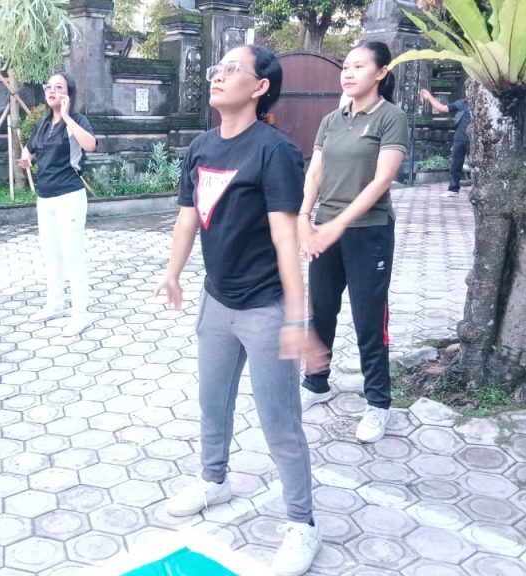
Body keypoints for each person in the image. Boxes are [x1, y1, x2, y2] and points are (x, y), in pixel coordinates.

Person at [155, 44, 325, 576]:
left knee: (280, 422)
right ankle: (214, 479)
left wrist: (297, 316)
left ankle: (302, 522)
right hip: (216, 300)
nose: (219, 75)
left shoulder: (275, 151)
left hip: (265, 308)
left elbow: (285, 238)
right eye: (218, 67)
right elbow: (188, 217)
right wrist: (173, 272)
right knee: (212, 403)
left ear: (259, 87)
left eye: (232, 69)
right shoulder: (200, 146)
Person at [298, 41, 409, 444]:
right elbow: (315, 173)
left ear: (380, 73)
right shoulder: (331, 120)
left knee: (369, 319)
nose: (348, 72)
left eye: (359, 66)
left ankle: (378, 403)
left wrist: (338, 224)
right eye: (345, 66)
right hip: (325, 227)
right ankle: (316, 383)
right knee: (320, 311)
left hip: (369, 232)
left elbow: (382, 180)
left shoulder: (391, 117)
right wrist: (304, 218)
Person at [18, 71, 98, 337]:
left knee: (72, 255)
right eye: (48, 86)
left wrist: (66, 116)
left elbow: (90, 145)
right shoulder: (43, 124)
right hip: (45, 198)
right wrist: (26, 158)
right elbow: (30, 147)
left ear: (69, 93)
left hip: (69, 197)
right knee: (51, 254)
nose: (51, 90)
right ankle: (55, 305)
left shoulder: (77, 120)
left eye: (58, 87)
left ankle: (81, 314)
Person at [419, 88, 470, 197]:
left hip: (475, 140)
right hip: (460, 139)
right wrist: (429, 97)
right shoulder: (461, 103)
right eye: (467, 89)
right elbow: (442, 108)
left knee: (478, 166)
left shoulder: (483, 104)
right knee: (455, 165)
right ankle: (453, 189)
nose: (469, 92)